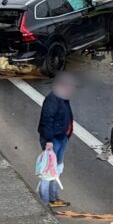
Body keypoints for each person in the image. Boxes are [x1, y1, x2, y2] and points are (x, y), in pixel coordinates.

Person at [36, 74, 75, 208]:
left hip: (61, 137)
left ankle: (53, 198)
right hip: (53, 140)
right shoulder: (53, 100)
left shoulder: (62, 98)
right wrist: (48, 140)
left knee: (56, 170)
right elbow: (47, 119)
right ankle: (45, 202)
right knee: (48, 172)